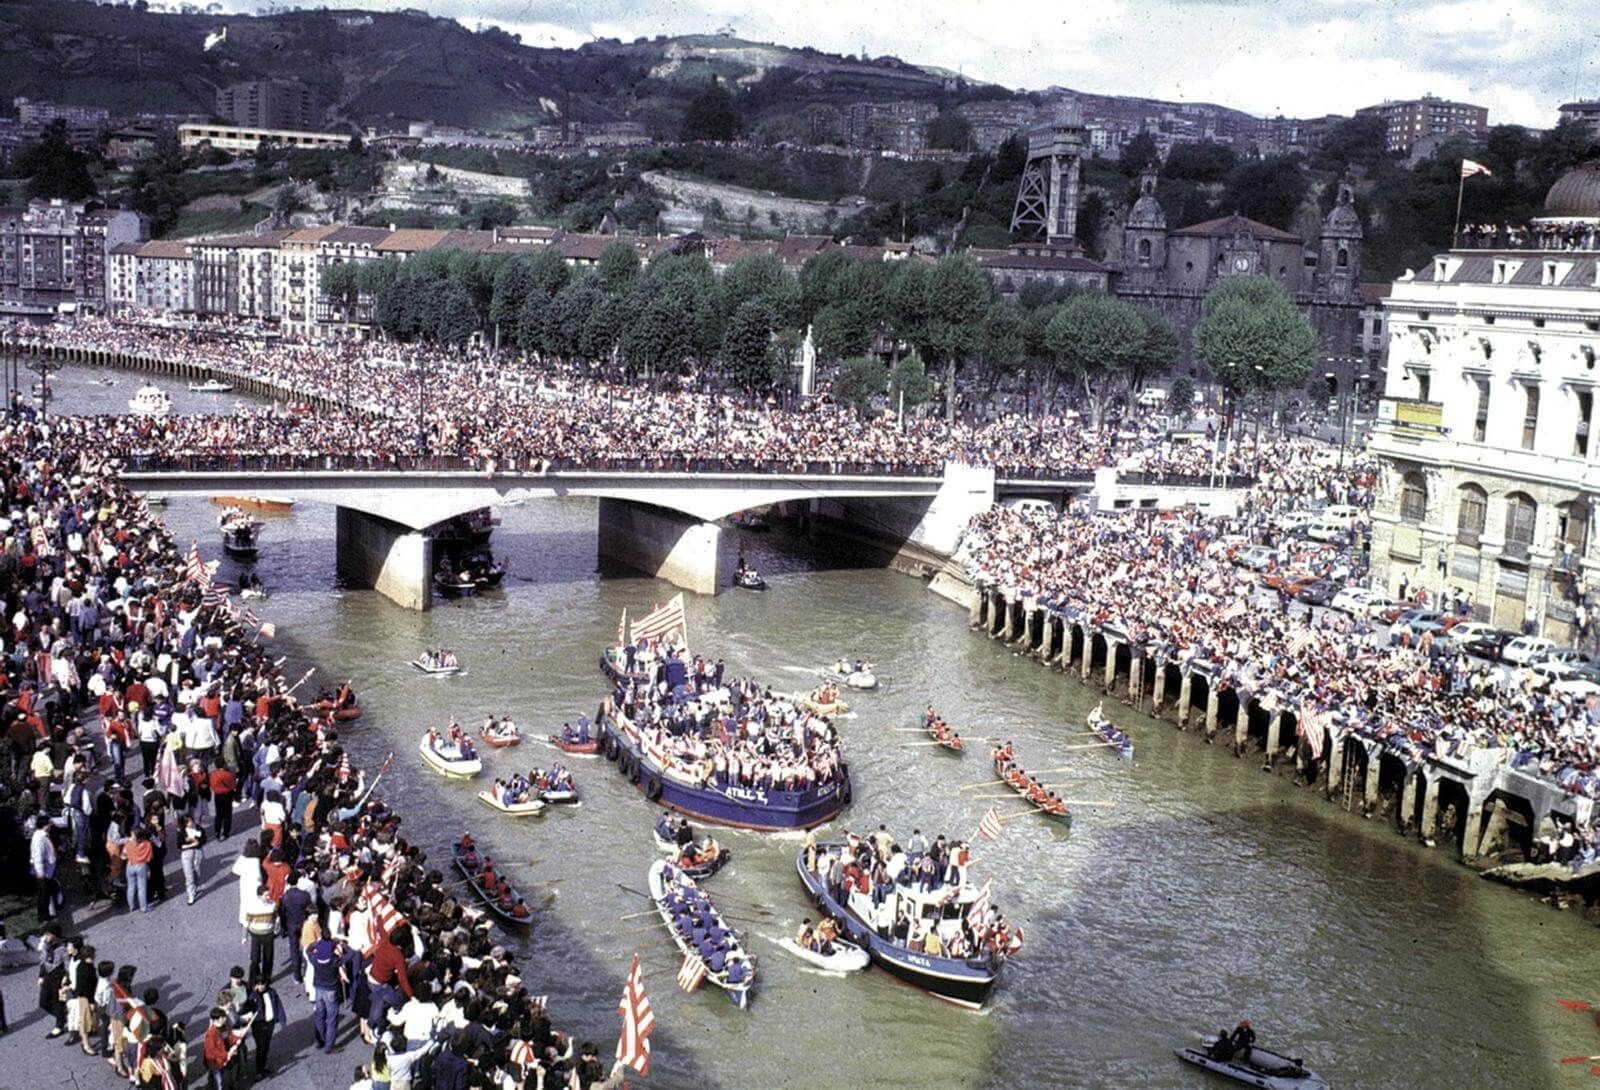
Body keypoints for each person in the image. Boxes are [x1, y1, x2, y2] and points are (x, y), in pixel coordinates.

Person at [239, 973, 282, 1079]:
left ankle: (262, 1066)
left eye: (263, 983)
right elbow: (244, 1010)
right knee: (261, 1047)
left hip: (269, 1023)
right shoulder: (252, 996)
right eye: (259, 984)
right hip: (258, 1025)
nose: (262, 986)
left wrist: (281, 1019)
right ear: (255, 985)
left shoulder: (271, 992)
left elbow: (278, 1005)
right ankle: (259, 1070)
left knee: (266, 1046)